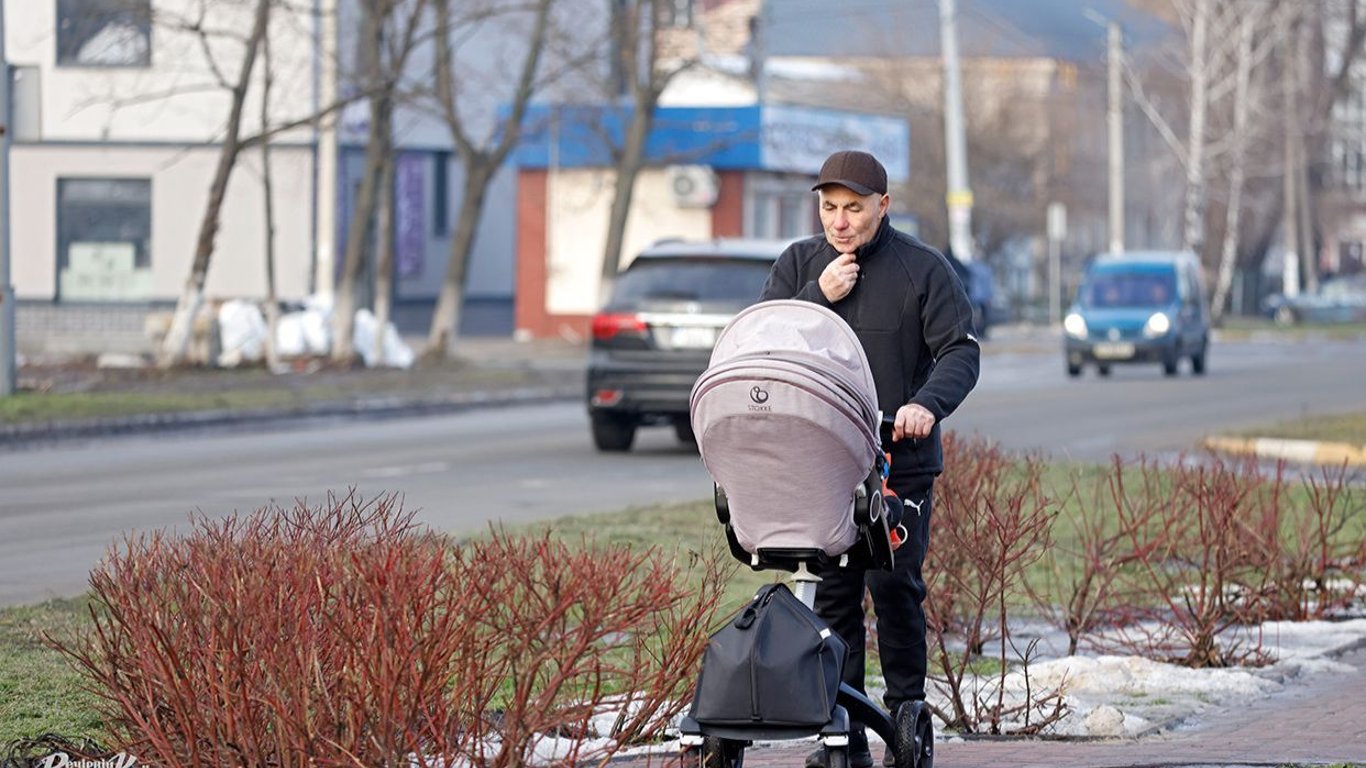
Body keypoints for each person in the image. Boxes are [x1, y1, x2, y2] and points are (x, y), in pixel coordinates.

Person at [759, 149, 980, 768]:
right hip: (820, 464)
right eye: (829, 208)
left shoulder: (922, 270)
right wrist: (815, 296)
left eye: (854, 208)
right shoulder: (800, 266)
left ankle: (906, 715)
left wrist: (926, 406)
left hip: (897, 462)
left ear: (883, 206)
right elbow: (764, 341)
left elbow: (960, 351)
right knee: (832, 596)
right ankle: (842, 729)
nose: (840, 222)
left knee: (894, 587)